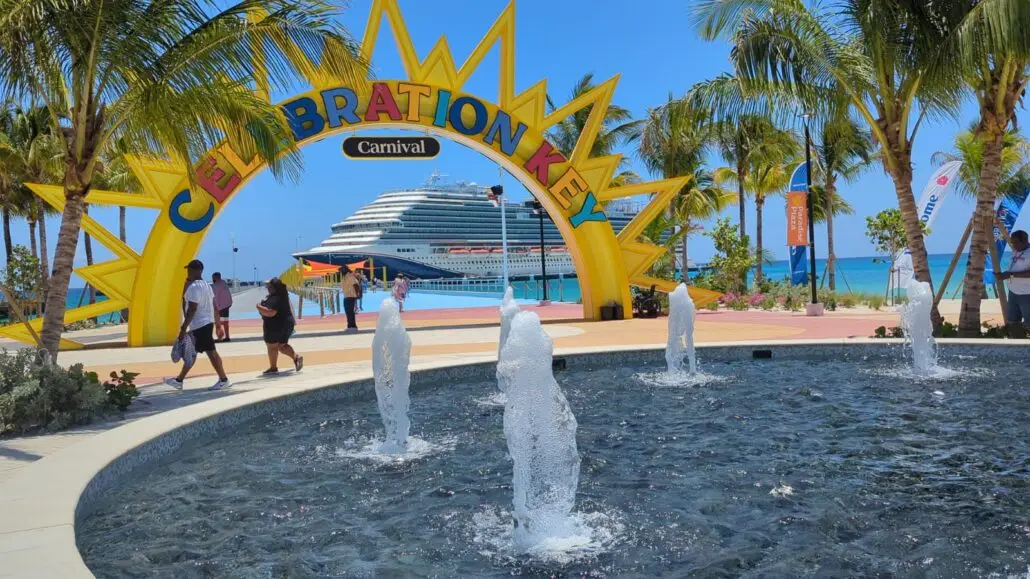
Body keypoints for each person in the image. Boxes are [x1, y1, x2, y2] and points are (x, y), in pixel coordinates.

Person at [166, 260, 231, 390]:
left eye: (189, 269)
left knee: (211, 352)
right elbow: (215, 307)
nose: (188, 272)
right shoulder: (207, 286)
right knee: (192, 352)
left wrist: (183, 329)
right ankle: (179, 380)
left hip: (200, 325)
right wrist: (218, 326)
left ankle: (224, 379)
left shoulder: (194, 288)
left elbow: (192, 309)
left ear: (195, 270)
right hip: (205, 324)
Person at [256, 278, 303, 375]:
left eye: (269, 286)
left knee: (272, 346)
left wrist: (258, 306)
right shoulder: (283, 295)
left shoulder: (275, 298)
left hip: (276, 326)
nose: (268, 288)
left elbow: (270, 313)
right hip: (287, 324)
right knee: (282, 345)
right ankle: (296, 358)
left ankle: (273, 368)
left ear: (273, 287)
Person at [999, 229, 1030, 338]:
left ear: (1025, 241)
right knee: (1013, 322)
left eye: (1015, 242)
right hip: (1013, 293)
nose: (1013, 245)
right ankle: (1019, 345)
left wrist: (1011, 274)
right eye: (1012, 242)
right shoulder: (1015, 251)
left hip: (1027, 294)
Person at [211, 272, 233, 342]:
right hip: (226, 306)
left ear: (215, 278)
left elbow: (215, 298)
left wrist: (215, 308)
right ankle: (227, 336)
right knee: (225, 322)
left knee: (218, 323)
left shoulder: (216, 286)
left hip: (219, 307)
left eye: (213, 277)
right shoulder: (224, 283)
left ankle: (219, 337)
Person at [341, 265, 360, 333]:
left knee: (350, 312)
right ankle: (350, 326)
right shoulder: (345, 277)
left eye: (342, 270)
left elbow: (356, 285)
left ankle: (353, 327)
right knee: (348, 312)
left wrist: (356, 295)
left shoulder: (350, 276)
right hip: (346, 296)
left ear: (345, 270)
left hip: (351, 296)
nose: (341, 272)